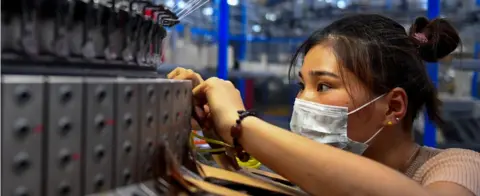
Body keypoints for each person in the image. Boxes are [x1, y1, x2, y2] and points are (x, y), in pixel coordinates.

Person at [168, 14, 480, 196]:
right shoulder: (311, 173)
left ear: (393, 106)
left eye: (323, 86)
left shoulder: (459, 167)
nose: (302, 100)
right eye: (302, 85)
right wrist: (217, 136)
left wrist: (240, 123)